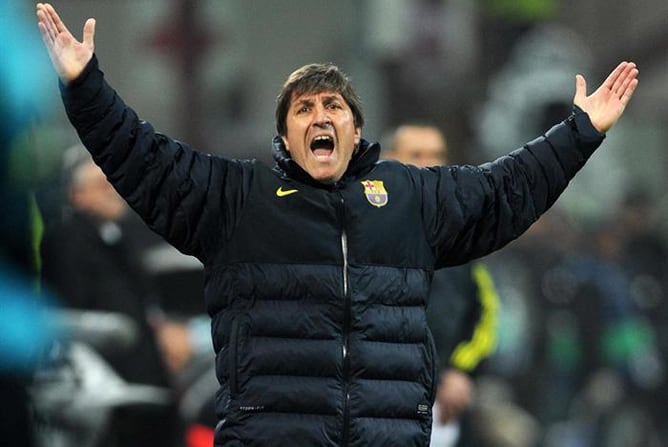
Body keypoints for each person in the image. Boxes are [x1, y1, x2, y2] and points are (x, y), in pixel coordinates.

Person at [36, 3, 639, 445]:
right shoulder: (238, 198)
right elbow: (143, 159)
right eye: (303, 108)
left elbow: (507, 189)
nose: (319, 116)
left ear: (355, 130)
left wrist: (579, 133)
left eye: (333, 106)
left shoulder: (409, 195)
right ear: (286, 135)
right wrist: (85, 88)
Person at [383, 125, 499, 447]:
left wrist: (460, 370)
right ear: (388, 162)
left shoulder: (459, 239)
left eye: (436, 155)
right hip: (374, 402)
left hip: (439, 408)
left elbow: (485, 314)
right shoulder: (365, 230)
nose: (428, 164)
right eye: (416, 155)